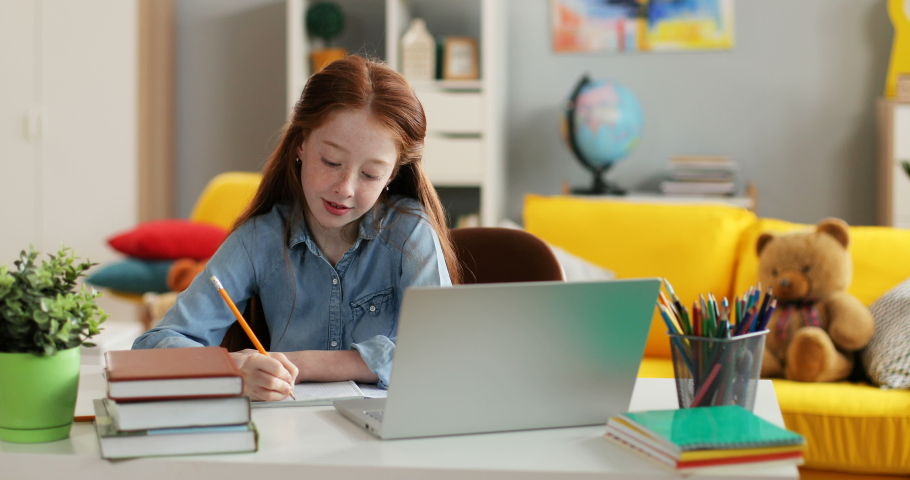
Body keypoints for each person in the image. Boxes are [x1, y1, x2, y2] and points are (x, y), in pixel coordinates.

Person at [133, 55, 461, 401]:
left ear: (393, 173)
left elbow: (441, 357)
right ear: (301, 143)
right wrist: (231, 367)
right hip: (288, 434)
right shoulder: (260, 239)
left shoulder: (409, 232)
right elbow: (152, 347)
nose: (345, 188)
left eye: (370, 174)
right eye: (331, 162)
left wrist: (299, 364)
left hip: (385, 438)